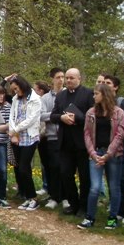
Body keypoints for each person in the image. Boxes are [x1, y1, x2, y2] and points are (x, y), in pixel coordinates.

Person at [78, 84, 124, 230]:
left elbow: (121, 134)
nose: (94, 96)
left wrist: (108, 154)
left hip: (113, 154)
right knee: (95, 187)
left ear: (104, 94)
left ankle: (112, 218)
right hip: (96, 153)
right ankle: (89, 217)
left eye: (96, 93)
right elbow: (86, 134)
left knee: (114, 187)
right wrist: (93, 153)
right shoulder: (91, 112)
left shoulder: (119, 113)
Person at [50, 68, 94, 216]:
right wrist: (61, 118)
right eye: (66, 78)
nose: (68, 80)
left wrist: (77, 118)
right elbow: (53, 115)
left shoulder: (88, 94)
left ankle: (84, 206)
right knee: (65, 174)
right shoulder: (61, 95)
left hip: (82, 143)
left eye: (71, 78)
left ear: (79, 79)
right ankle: (73, 203)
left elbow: (92, 117)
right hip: (65, 143)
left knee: (84, 176)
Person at [103, 74, 124, 224]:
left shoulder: (122, 103)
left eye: (108, 83)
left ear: (115, 87)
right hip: (107, 149)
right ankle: (117, 209)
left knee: (121, 180)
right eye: (103, 82)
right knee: (111, 180)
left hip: (121, 150)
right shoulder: (101, 103)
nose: (105, 85)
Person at [8, 76, 42, 211]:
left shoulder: (35, 99)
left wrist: (15, 130)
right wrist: (13, 132)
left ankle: (33, 198)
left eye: (16, 88)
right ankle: (27, 197)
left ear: (22, 85)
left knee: (24, 167)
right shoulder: (15, 99)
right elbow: (12, 116)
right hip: (16, 137)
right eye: (13, 90)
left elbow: (31, 119)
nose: (16, 91)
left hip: (29, 137)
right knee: (20, 169)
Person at [39, 68, 65, 210]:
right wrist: (57, 116)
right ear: (52, 79)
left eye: (63, 77)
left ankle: (66, 196)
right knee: (53, 167)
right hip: (52, 137)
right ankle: (54, 196)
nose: (61, 80)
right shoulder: (45, 98)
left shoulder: (68, 95)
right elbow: (41, 115)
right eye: (58, 77)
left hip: (67, 137)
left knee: (66, 169)